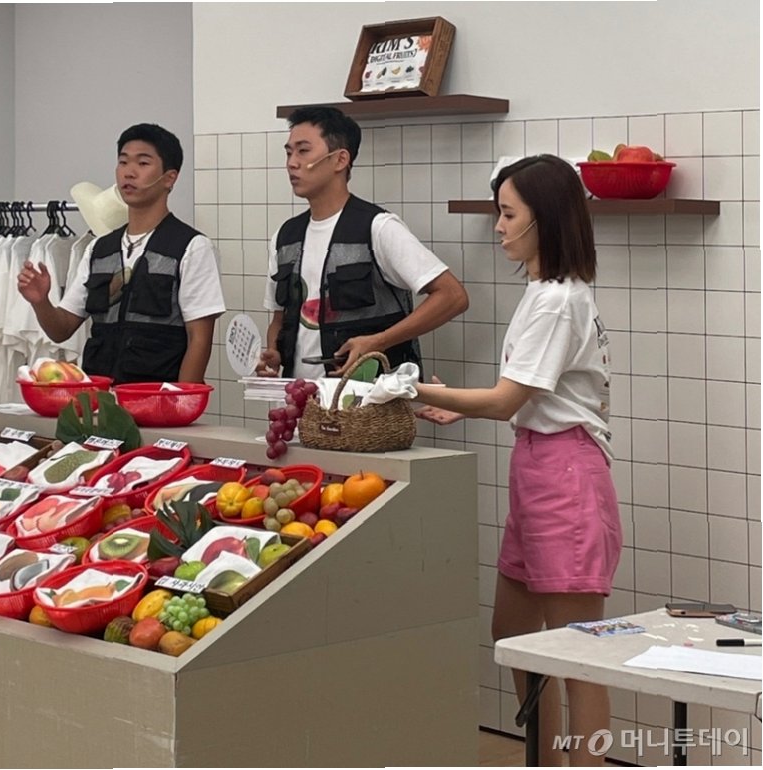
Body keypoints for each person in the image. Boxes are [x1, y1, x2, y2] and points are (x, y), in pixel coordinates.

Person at [414, 154, 621, 767]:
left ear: (544, 219)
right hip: (536, 468)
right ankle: (545, 758)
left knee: (579, 656)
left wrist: (412, 390)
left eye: (508, 215)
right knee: (514, 634)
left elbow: (506, 399)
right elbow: (524, 396)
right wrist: (457, 406)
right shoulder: (541, 292)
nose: (498, 227)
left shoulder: (558, 300)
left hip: (567, 476)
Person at [255, 106, 468, 381]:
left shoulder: (378, 228)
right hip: (301, 398)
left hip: (372, 399)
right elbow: (279, 319)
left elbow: (453, 296)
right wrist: (274, 352)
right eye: (288, 153)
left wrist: (378, 341)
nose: (292, 163)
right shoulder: (285, 237)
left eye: (303, 151)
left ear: (340, 159)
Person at [17, 123, 225, 383]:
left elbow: (199, 339)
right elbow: (61, 329)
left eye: (143, 163)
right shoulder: (98, 250)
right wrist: (40, 301)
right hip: (98, 397)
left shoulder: (191, 247)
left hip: (157, 398)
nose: (129, 172)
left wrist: (180, 399)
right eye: (123, 162)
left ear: (169, 178)